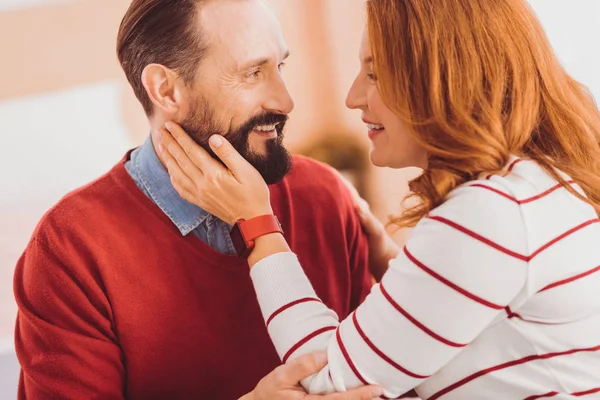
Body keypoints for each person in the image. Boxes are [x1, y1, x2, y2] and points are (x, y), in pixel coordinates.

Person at [160, 0, 600, 398]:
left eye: (374, 73)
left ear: (446, 76)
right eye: (254, 72)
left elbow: (323, 378)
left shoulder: (493, 213)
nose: (352, 97)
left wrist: (255, 222)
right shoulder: (544, 183)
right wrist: (396, 265)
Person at [12, 0, 377, 399]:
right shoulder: (69, 249)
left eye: (280, 66)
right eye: (252, 73)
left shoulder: (324, 195)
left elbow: (385, 379)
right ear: (165, 90)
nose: (285, 101)